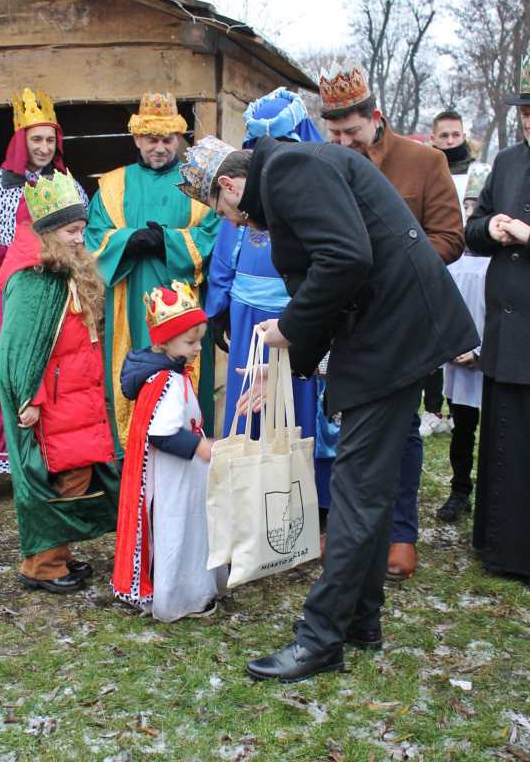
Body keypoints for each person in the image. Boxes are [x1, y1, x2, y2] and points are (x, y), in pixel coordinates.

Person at [176, 135, 478, 682]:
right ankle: (360, 620)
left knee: (357, 490)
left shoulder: (289, 168)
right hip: (393, 333)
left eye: (227, 215)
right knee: (369, 486)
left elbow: (345, 257)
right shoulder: (292, 169)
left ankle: (320, 640)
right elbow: (337, 268)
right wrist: (287, 361)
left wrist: (288, 333)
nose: (238, 227)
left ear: (228, 186)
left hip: (394, 336)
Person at [319, 62, 465, 580]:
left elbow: (451, 237)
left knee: (402, 429)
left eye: (351, 132)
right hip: (350, 321)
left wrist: (391, 265)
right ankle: (348, 525)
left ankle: (401, 533)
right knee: (347, 422)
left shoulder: (423, 162)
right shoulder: (325, 163)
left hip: (405, 321)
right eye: (333, 133)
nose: (343, 142)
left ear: (374, 118)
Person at [205, 88, 338, 538]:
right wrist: (219, 304)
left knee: (303, 409)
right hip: (246, 314)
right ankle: (250, 498)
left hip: (298, 315)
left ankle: (308, 502)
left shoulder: (312, 182)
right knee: (250, 400)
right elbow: (228, 241)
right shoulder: (246, 185)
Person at [465, 53, 530, 583]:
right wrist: (495, 229)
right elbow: (473, 228)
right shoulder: (506, 161)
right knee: (502, 438)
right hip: (504, 330)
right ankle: (499, 543)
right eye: (527, 109)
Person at [0, 87, 87, 510]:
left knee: (53, 379)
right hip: (6, 292)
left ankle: (43, 467)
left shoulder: (67, 185)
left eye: (50, 140)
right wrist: (33, 262)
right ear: (20, 139)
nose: (44, 148)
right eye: (36, 139)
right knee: (3, 378)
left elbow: (81, 241)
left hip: (56, 295)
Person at [0, 170, 119, 593]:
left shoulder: (60, 272)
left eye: (82, 230)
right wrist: (29, 397)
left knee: (75, 475)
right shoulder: (33, 281)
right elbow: (20, 351)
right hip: (50, 403)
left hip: (75, 397)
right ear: (48, 233)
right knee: (60, 480)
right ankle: (43, 566)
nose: (79, 238)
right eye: (71, 230)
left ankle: (57, 556)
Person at [84, 92, 221, 459]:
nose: (159, 148)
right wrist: (129, 241)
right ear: (136, 139)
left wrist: (166, 241)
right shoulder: (111, 187)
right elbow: (93, 237)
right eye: (151, 140)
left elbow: (213, 237)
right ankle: (132, 462)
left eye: (168, 139)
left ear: (179, 138)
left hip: (186, 308)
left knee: (187, 378)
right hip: (130, 302)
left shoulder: (199, 185)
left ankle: (191, 458)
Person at [111, 281, 227, 620]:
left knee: (184, 528)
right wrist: (199, 446)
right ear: (164, 341)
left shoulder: (169, 374)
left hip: (179, 474)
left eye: (199, 341)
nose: (197, 348)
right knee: (178, 529)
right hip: (173, 479)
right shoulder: (167, 381)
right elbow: (161, 434)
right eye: (190, 342)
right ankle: (182, 595)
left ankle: (185, 590)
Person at [421, 109, 485, 437]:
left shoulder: (480, 172)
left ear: (464, 135)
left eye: (455, 135)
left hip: (473, 268)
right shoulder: (427, 169)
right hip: (439, 266)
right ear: (433, 139)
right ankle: (432, 408)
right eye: (443, 136)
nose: (449, 140)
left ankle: (461, 416)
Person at [437, 163, 492, 522]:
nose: (471, 214)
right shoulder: (453, 257)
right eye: (467, 206)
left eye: (479, 207)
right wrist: (451, 346)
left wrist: (482, 351)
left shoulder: (500, 259)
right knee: (463, 427)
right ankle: (460, 490)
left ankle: (491, 494)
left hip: (489, 355)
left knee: (495, 429)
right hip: (459, 355)